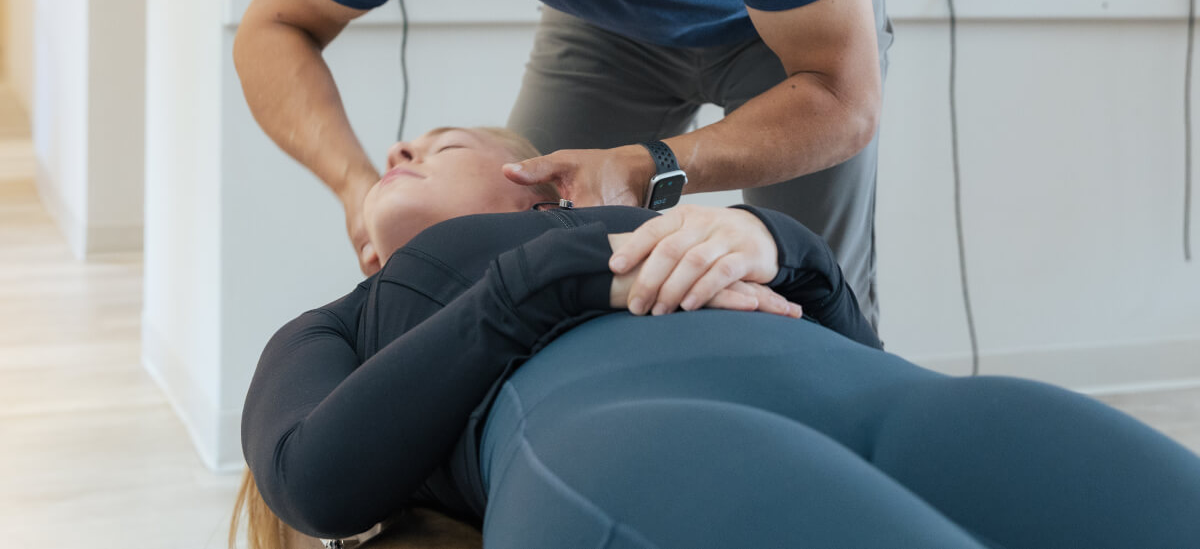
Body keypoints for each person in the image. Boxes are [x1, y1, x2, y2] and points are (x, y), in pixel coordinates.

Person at [235, 127, 1200, 549]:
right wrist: (560, 274)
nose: (396, 149)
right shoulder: (345, 322)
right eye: (404, 150)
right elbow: (310, 477)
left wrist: (774, 238)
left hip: (891, 402)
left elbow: (849, 337)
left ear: (541, 179)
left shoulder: (660, 223)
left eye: (441, 141)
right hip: (644, 449)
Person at [233, 0, 894, 331]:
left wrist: (651, 166)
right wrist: (355, 189)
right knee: (512, 275)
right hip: (606, 23)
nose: (404, 154)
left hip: (800, 35)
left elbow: (842, 99)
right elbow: (273, 29)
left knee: (816, 304)